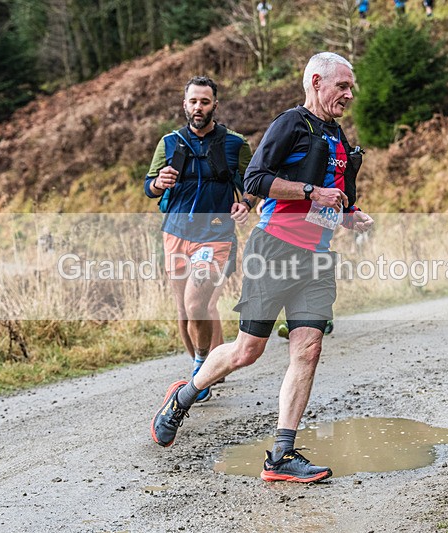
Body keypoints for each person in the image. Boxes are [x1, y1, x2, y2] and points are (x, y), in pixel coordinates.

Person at [151, 52, 374, 483]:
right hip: (273, 248)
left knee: (308, 347)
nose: (349, 94)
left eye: (351, 87)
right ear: (315, 81)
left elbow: (339, 200)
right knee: (246, 351)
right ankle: (184, 396)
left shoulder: (342, 140)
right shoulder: (291, 123)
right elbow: (254, 179)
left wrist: (353, 214)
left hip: (317, 259)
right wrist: (311, 192)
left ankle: (282, 455)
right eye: (342, 86)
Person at [144, 76, 256, 402]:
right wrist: (159, 183)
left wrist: (245, 203)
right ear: (185, 104)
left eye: (205, 102)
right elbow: (149, 186)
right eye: (193, 101)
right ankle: (203, 370)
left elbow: (252, 183)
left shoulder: (235, 143)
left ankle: (200, 370)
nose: (198, 107)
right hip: (175, 233)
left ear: (215, 105)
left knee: (199, 302)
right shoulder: (168, 142)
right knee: (183, 310)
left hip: (216, 233)